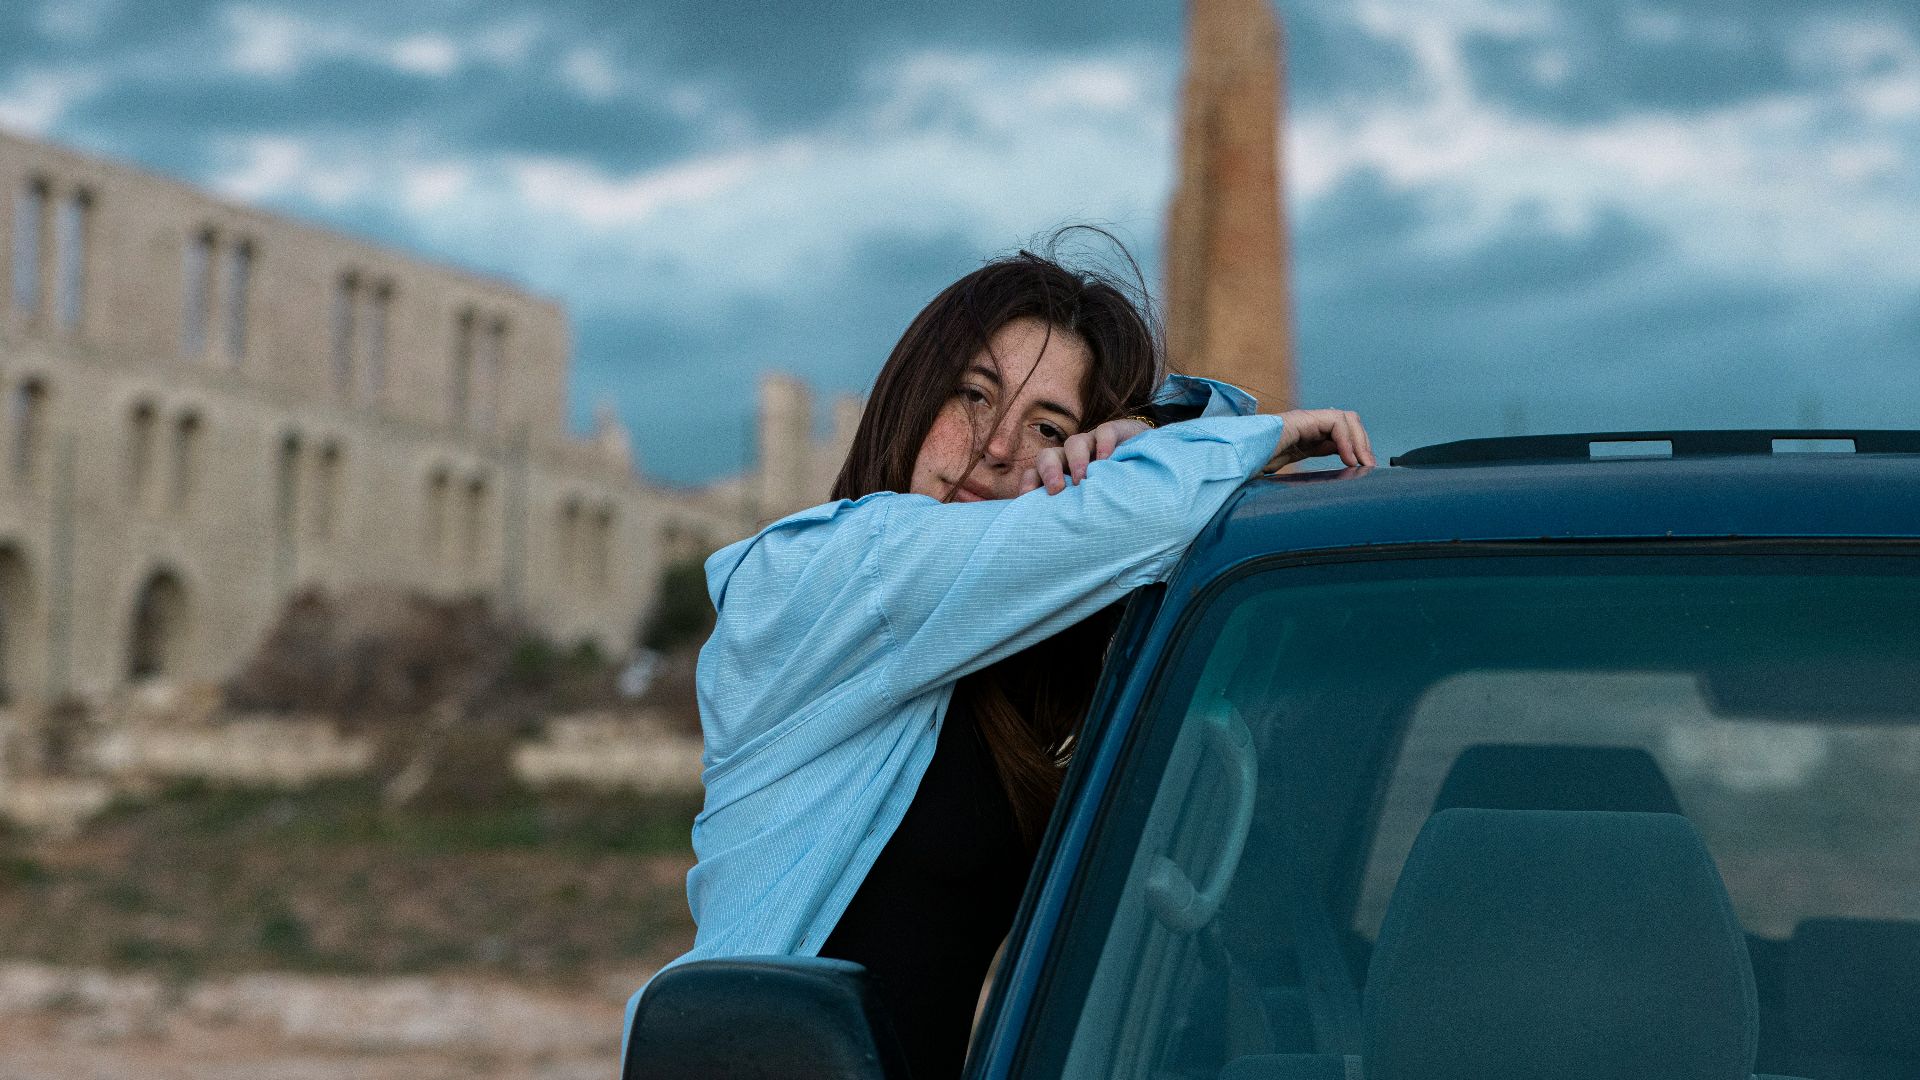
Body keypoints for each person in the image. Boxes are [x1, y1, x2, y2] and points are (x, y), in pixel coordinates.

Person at [638, 246, 1373, 1079]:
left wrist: (1138, 439)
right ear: (913, 394)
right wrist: (1233, 436)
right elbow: (1130, 518)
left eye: (1048, 429)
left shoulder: (1000, 669)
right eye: (973, 395)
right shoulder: (821, 575)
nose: (994, 447)